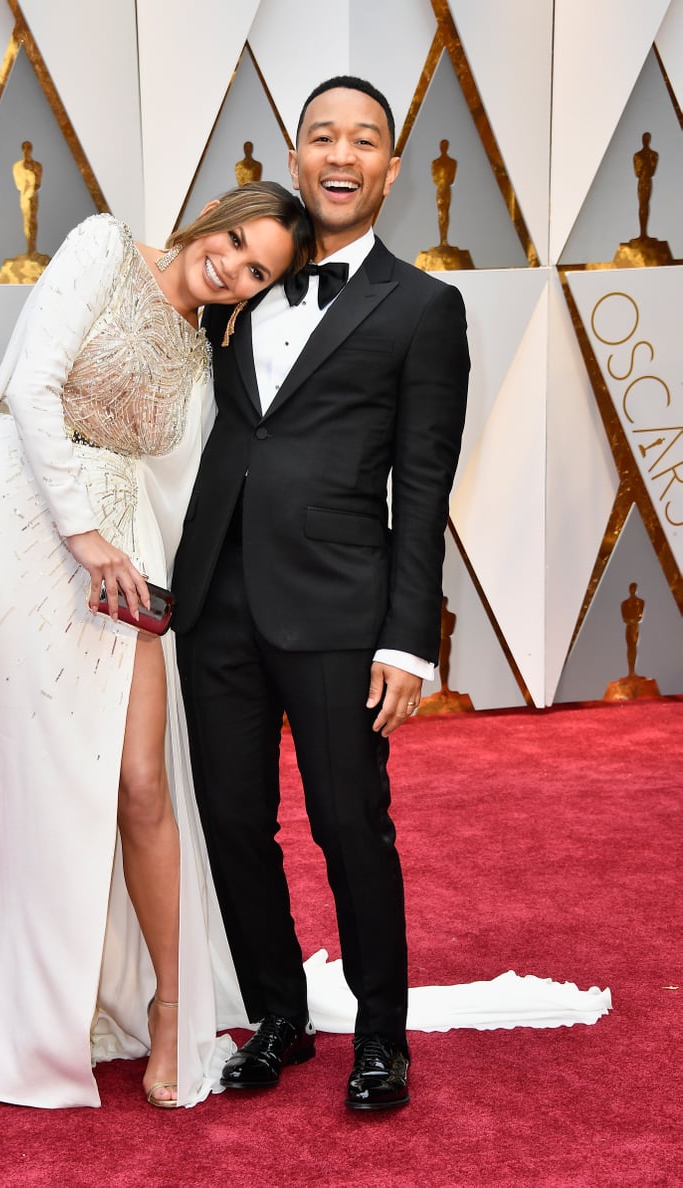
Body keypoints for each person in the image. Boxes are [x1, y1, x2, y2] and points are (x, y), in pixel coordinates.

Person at [0, 182, 313, 1109]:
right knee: (43, 776)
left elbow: (185, 492)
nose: (229, 265)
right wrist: (81, 536)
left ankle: (167, 1005)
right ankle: (44, 1010)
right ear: (214, 216)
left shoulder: (203, 358)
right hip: (18, 522)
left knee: (142, 782)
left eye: (255, 271)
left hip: (124, 565)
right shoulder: (104, 247)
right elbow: (32, 384)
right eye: (234, 239)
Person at [172, 77, 470, 1110]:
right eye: (322, 137)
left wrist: (409, 638)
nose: (342, 155)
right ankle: (280, 1017)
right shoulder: (245, 282)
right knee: (228, 818)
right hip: (212, 600)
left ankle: (382, 1038)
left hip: (342, 610)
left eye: (366, 140)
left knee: (351, 824)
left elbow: (424, 482)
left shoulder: (427, 308)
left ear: (392, 167)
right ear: (294, 159)